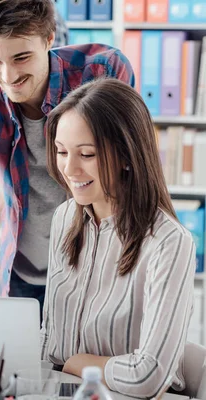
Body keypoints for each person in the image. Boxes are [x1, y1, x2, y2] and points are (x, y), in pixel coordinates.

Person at [0, 0, 135, 312]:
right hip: (26, 274)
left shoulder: (102, 71)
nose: (8, 75)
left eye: (21, 57)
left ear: (49, 38)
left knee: (89, 361)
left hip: (101, 268)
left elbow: (130, 165)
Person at [42, 78, 195, 397]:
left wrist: (78, 364)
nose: (69, 169)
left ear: (127, 155)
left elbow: (148, 376)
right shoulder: (65, 217)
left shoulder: (168, 242)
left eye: (87, 154)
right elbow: (51, 342)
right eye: (61, 151)